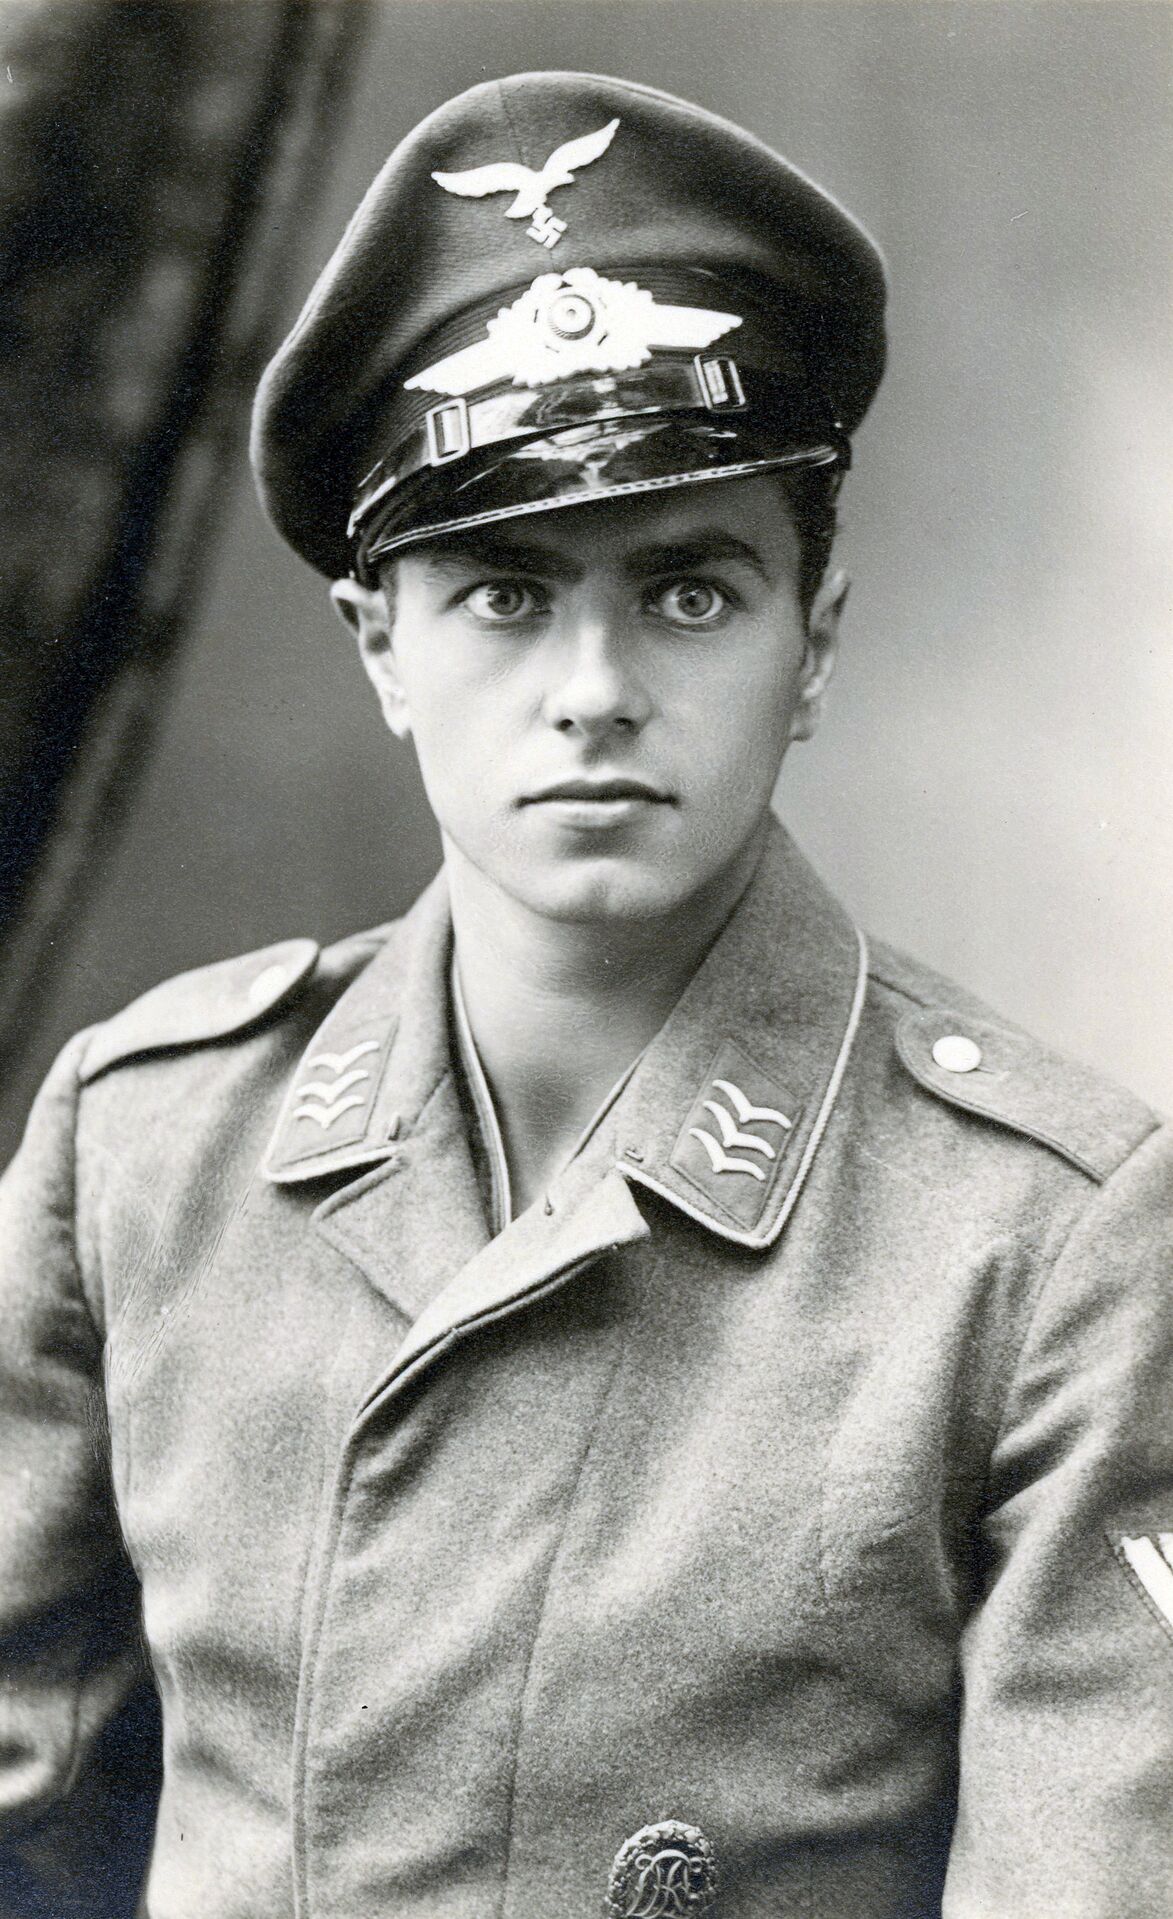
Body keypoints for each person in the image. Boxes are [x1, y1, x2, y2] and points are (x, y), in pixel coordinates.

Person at [0, 69, 1169, 1919]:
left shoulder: (1044, 1245)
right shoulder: (148, 1149)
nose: (595, 690)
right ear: (381, 650)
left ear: (812, 645)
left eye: (689, 594)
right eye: (504, 595)